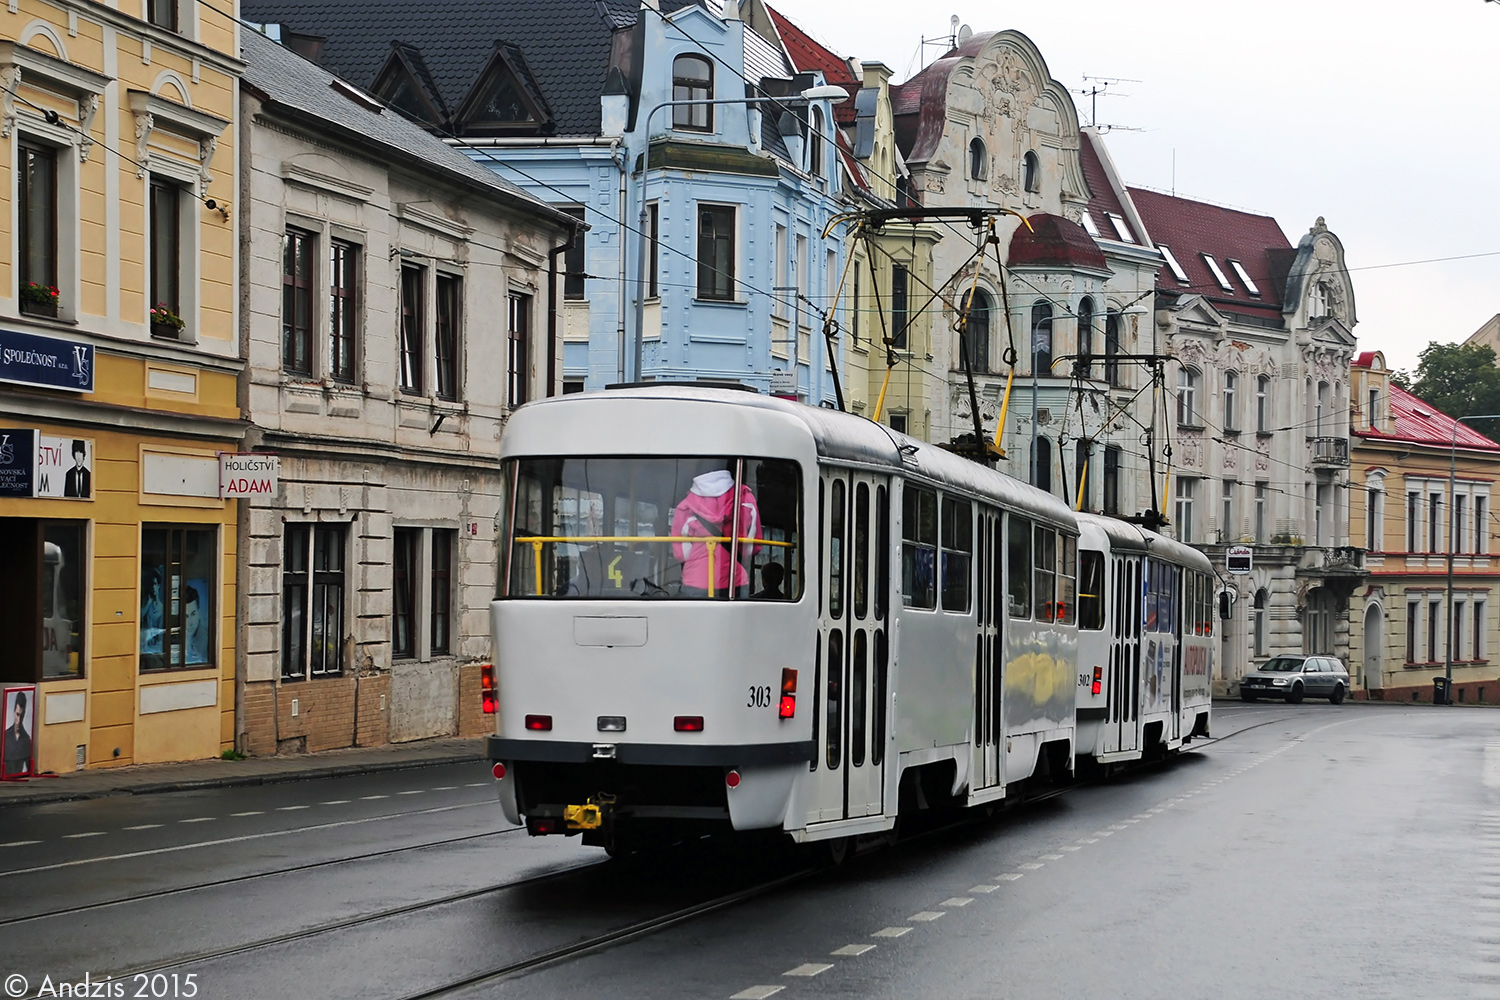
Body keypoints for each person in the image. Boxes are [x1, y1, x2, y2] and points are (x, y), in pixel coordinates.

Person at [670, 466, 761, 597]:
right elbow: (753, 546)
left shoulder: (685, 506)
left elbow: (681, 554)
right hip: (735, 579)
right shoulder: (747, 499)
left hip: (695, 581)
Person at [4, 691, 32, 776]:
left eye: (21, 716)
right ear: (13, 713)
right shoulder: (5, 735)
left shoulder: (26, 739)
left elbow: (29, 768)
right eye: (17, 715)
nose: (19, 720)